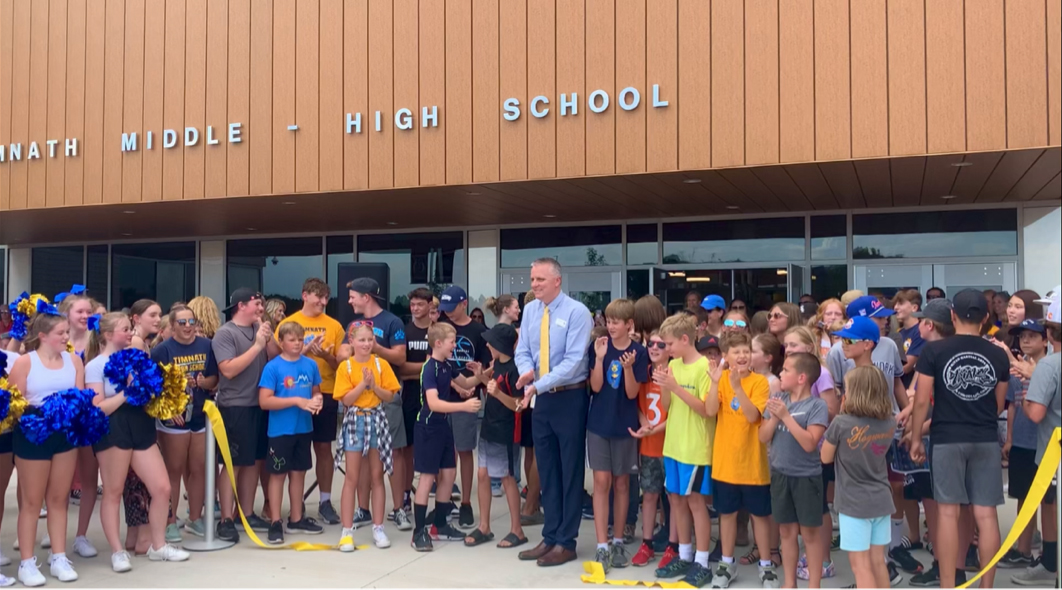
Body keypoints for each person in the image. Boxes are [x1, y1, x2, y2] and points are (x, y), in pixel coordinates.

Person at [907, 289, 1011, 589]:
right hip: (985, 437)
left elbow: (923, 399)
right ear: (986, 318)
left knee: (948, 513)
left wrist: (915, 438)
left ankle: (948, 584)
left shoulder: (934, 352)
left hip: (947, 437)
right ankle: (986, 585)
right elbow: (999, 404)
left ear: (952, 316)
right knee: (986, 515)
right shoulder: (997, 353)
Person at [86, 312, 190, 571]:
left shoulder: (137, 358)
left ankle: (158, 545)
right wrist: (127, 391)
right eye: (124, 329)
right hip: (114, 428)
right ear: (109, 334)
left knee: (162, 488)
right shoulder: (95, 365)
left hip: (141, 425)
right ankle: (117, 551)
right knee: (113, 490)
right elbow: (98, 408)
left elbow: (151, 393)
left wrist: (166, 402)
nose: (129, 332)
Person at [514, 258, 593, 568]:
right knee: (546, 470)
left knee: (569, 471)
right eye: (532, 279)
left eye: (540, 280)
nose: (534, 285)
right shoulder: (532, 310)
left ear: (557, 281)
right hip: (541, 398)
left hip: (568, 398)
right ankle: (550, 536)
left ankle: (566, 541)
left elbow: (574, 361)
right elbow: (523, 351)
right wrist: (526, 374)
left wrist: (538, 385)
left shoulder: (577, 312)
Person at [9, 312, 85, 586]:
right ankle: (27, 563)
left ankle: (59, 556)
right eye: (61, 333)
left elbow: (79, 397)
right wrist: (41, 415)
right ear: (42, 336)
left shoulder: (74, 360)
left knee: (58, 499)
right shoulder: (25, 362)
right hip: (34, 434)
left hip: (64, 434)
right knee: (31, 501)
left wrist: (70, 414)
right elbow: (14, 405)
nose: (66, 337)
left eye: (67, 332)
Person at [706, 332, 777, 589]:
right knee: (726, 514)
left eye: (746, 350)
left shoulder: (760, 383)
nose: (742, 356)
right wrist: (715, 384)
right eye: (736, 351)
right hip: (725, 463)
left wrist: (737, 387)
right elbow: (711, 410)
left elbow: (751, 416)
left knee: (760, 515)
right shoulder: (720, 379)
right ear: (726, 356)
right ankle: (726, 564)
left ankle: (766, 565)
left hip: (753, 464)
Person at [273, 278, 345, 526]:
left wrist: (324, 354)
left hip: (324, 392)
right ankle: (295, 506)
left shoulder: (334, 325)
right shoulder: (288, 324)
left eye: (326, 299)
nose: (323, 303)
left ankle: (325, 501)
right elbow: (275, 359)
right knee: (293, 450)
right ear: (305, 295)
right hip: (291, 395)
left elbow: (340, 365)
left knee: (324, 448)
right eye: (318, 298)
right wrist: (303, 351)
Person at [651, 313, 715, 588]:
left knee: (695, 502)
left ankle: (702, 560)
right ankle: (684, 553)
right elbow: (667, 404)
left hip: (695, 446)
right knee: (675, 499)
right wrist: (666, 385)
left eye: (669, 343)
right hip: (673, 445)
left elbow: (706, 410)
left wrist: (675, 386)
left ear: (685, 339)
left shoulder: (704, 367)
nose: (665, 348)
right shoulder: (673, 365)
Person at [211, 288, 278, 542]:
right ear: (241, 305)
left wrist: (265, 335)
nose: (261, 307)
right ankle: (226, 517)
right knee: (233, 464)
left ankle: (246, 513)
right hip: (235, 406)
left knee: (254, 461)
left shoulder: (258, 329)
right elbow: (228, 370)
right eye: (257, 304)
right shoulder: (225, 333)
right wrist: (257, 345)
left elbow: (275, 356)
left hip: (259, 405)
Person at [588, 299, 649, 572]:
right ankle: (602, 544)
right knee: (601, 481)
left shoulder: (639, 352)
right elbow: (596, 386)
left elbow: (633, 393)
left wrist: (628, 368)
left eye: (616, 322)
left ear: (629, 324)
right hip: (599, 424)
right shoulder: (599, 346)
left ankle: (618, 540)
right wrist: (600, 359)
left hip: (625, 425)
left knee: (622, 482)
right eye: (608, 321)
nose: (611, 326)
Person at [822, 367, 897, 589]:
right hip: (881, 499)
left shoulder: (841, 423)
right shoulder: (888, 422)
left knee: (860, 565)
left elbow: (825, 457)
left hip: (854, 503)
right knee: (877, 561)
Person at [411, 323, 483, 552]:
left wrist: (482, 373)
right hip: (428, 427)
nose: (455, 345)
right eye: (452, 341)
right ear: (439, 343)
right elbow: (433, 403)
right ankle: (419, 531)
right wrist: (463, 406)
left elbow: (467, 383)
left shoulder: (447, 365)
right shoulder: (429, 368)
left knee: (449, 474)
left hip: (443, 427)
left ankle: (440, 525)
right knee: (427, 477)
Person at [342, 277, 407, 528]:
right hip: (358, 400)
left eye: (353, 296)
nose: (349, 300)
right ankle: (363, 509)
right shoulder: (352, 324)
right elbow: (344, 354)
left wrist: (375, 348)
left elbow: (400, 357)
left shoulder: (392, 321)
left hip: (385, 396)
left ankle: (399, 508)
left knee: (394, 453)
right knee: (363, 454)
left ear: (366, 297)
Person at [760, 353, 829, 589]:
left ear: (801, 378)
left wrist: (785, 417)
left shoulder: (816, 405)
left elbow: (810, 443)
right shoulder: (778, 398)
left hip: (806, 478)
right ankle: (789, 583)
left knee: (810, 534)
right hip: (780, 474)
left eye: (786, 370)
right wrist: (773, 418)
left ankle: (814, 585)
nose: (781, 373)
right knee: (786, 532)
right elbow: (763, 436)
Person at [151, 305, 217, 541]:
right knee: (174, 470)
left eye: (191, 322)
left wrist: (203, 382)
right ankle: (170, 521)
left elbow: (213, 380)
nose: (188, 327)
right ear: (172, 326)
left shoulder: (207, 346)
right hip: (173, 419)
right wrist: (168, 409)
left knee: (198, 469)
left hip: (200, 415)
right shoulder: (162, 351)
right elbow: (153, 388)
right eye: (182, 323)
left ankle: (195, 518)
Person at [257, 322, 324, 545]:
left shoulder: (310, 365)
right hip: (280, 430)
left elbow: (315, 390)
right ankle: (276, 521)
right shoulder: (273, 367)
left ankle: (296, 518)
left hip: (303, 428)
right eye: (291, 340)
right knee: (277, 475)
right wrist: (296, 400)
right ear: (282, 342)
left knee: (299, 473)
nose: (296, 344)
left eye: (300, 339)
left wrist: (317, 399)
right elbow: (264, 401)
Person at [463, 323, 528, 550]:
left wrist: (498, 393)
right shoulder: (496, 365)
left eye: (491, 342)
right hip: (489, 427)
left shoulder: (514, 368)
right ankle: (484, 526)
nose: (488, 345)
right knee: (483, 475)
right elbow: (490, 384)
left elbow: (519, 405)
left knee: (507, 477)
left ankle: (517, 530)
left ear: (501, 346)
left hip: (506, 431)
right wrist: (481, 376)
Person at [907, 298, 956, 587]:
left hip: (939, 438)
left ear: (929, 325)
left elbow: (931, 402)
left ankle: (942, 566)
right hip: (950, 435)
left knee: (939, 511)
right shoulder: (953, 350)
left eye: (920, 320)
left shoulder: (933, 353)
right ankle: (953, 564)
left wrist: (916, 434)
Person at [437, 286, 492, 528]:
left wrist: (477, 380)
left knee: (465, 449)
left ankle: (466, 503)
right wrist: (458, 386)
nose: (447, 314)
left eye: (452, 308)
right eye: (444, 309)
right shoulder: (439, 326)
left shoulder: (479, 331)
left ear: (464, 304)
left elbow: (488, 367)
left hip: (467, 399)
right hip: (441, 397)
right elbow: (436, 363)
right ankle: (445, 499)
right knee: (442, 452)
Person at [1015, 288, 1060, 586]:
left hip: (1052, 457)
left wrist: (1026, 398)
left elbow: (1036, 414)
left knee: (1050, 508)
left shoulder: (1049, 365)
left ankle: (1049, 565)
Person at [1001, 319, 1050, 568]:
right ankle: (1023, 548)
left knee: (1047, 499)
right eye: (1022, 337)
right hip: (1021, 439)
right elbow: (1011, 406)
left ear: (1046, 339)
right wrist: (1009, 438)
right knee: (1022, 496)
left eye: (1033, 335)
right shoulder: (1017, 371)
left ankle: (1046, 549)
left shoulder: (1050, 368)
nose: (1026, 340)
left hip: (1044, 442)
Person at [56, 290, 100, 560]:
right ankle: (54, 532)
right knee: (56, 482)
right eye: (80, 312)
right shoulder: (54, 341)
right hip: (59, 419)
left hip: (88, 419)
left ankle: (81, 536)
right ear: (67, 315)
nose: (85, 316)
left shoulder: (96, 341)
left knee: (88, 478)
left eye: (88, 312)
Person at [630, 331, 671, 568]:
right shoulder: (644, 373)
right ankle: (646, 543)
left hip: (672, 446)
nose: (654, 347)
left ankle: (673, 545)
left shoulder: (674, 374)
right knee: (649, 495)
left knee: (674, 499)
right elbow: (636, 403)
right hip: (649, 445)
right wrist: (645, 422)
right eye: (651, 343)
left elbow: (676, 411)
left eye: (660, 344)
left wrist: (655, 429)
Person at [395, 288, 434, 529]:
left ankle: (439, 497)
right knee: (407, 449)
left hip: (434, 398)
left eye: (420, 304)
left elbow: (441, 366)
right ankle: (407, 495)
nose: (415, 308)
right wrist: (425, 366)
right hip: (410, 397)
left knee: (433, 449)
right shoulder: (404, 332)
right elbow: (401, 369)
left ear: (430, 305)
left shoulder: (437, 330)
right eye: (413, 304)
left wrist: (418, 369)